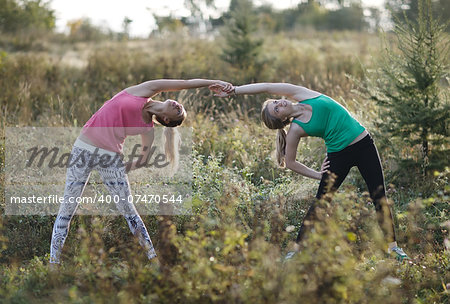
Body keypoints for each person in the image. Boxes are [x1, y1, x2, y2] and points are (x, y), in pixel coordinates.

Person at [209, 82, 409, 261]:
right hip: (338, 155)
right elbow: (291, 162)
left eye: (276, 102)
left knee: (379, 196)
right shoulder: (296, 129)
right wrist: (319, 175)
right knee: (321, 203)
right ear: (282, 119)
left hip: (364, 144)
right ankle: (297, 250)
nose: (279, 104)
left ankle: (392, 247)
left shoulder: (302, 94)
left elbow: (267, 87)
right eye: (276, 109)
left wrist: (234, 90)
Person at [50, 78, 233, 265]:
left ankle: (153, 260)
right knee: (67, 208)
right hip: (83, 148)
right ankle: (53, 264)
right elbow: (183, 82)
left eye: (179, 111)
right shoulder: (145, 91)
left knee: (129, 211)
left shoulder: (148, 129)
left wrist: (118, 169)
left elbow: (143, 160)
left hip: (110, 158)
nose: (179, 105)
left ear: (167, 120)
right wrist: (212, 82)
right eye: (180, 106)